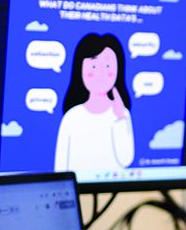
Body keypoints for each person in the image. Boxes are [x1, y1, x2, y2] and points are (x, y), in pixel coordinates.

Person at [54, 32, 135, 172]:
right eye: (93, 66)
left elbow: (126, 160)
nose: (101, 73)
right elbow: (60, 167)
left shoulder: (122, 114)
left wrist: (120, 119)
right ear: (80, 69)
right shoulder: (71, 117)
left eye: (108, 66)